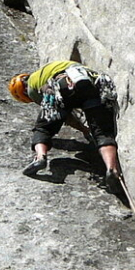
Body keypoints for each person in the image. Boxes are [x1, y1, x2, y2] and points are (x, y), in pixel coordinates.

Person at [8, 60, 123, 194]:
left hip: (62, 86)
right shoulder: (53, 67)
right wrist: (88, 129)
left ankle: (40, 157)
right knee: (102, 133)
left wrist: (82, 129)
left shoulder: (32, 87)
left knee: (44, 128)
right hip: (91, 85)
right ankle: (112, 168)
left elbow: (60, 115)